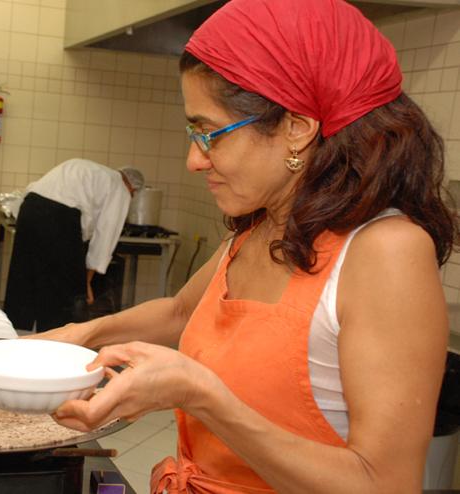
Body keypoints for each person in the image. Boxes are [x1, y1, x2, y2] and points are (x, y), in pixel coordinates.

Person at [32, 0, 458, 492]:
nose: (194, 160)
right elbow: (180, 311)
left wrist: (200, 395)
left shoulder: (386, 251)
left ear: (297, 129)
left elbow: (385, 482)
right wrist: (81, 334)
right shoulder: (257, 227)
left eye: (210, 133)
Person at [3, 158, 144, 332]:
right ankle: (56, 338)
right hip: (58, 219)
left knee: (25, 276)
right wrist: (87, 282)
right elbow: (105, 236)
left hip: (29, 209)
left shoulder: (91, 170)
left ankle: (14, 334)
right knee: (63, 291)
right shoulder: (119, 186)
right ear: (132, 188)